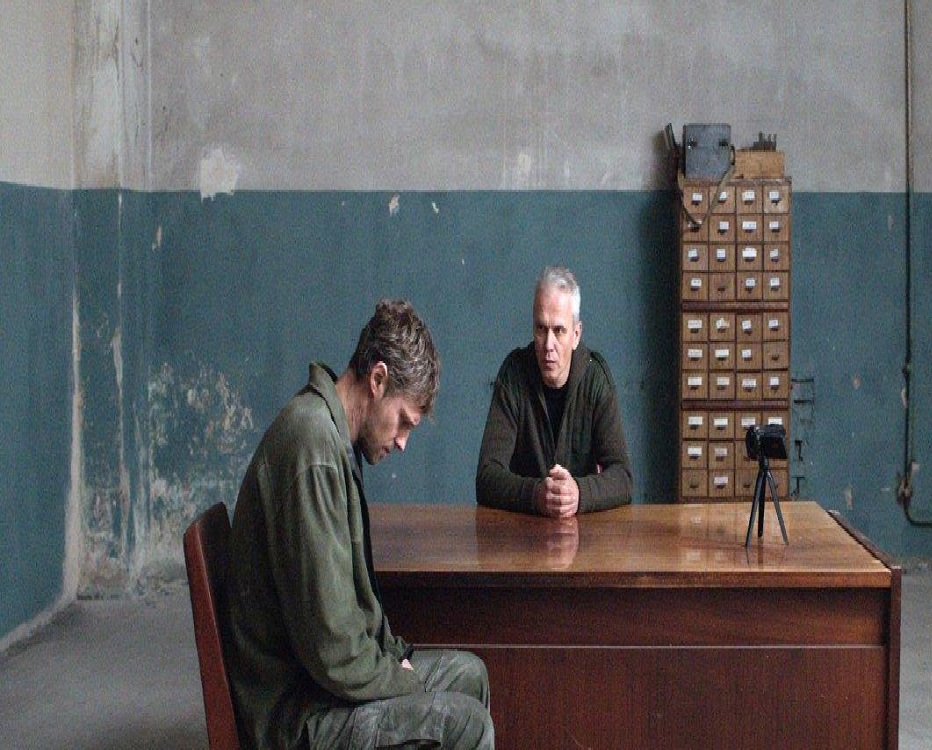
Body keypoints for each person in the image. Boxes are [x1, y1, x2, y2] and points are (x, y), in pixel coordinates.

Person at [225, 299, 494, 750]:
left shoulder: (333, 440)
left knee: (470, 676)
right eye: (403, 422)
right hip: (300, 715)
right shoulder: (312, 448)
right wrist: (403, 680)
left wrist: (394, 661)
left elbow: (351, 617)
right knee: (465, 725)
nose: (403, 442)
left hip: (323, 688)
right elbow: (331, 649)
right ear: (378, 379)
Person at [476, 266, 632, 517]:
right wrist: (536, 494)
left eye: (559, 331)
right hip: (522, 530)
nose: (548, 345)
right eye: (541, 329)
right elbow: (486, 477)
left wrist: (578, 493)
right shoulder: (514, 374)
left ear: (576, 335)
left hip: (582, 533)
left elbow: (623, 478)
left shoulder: (595, 378)